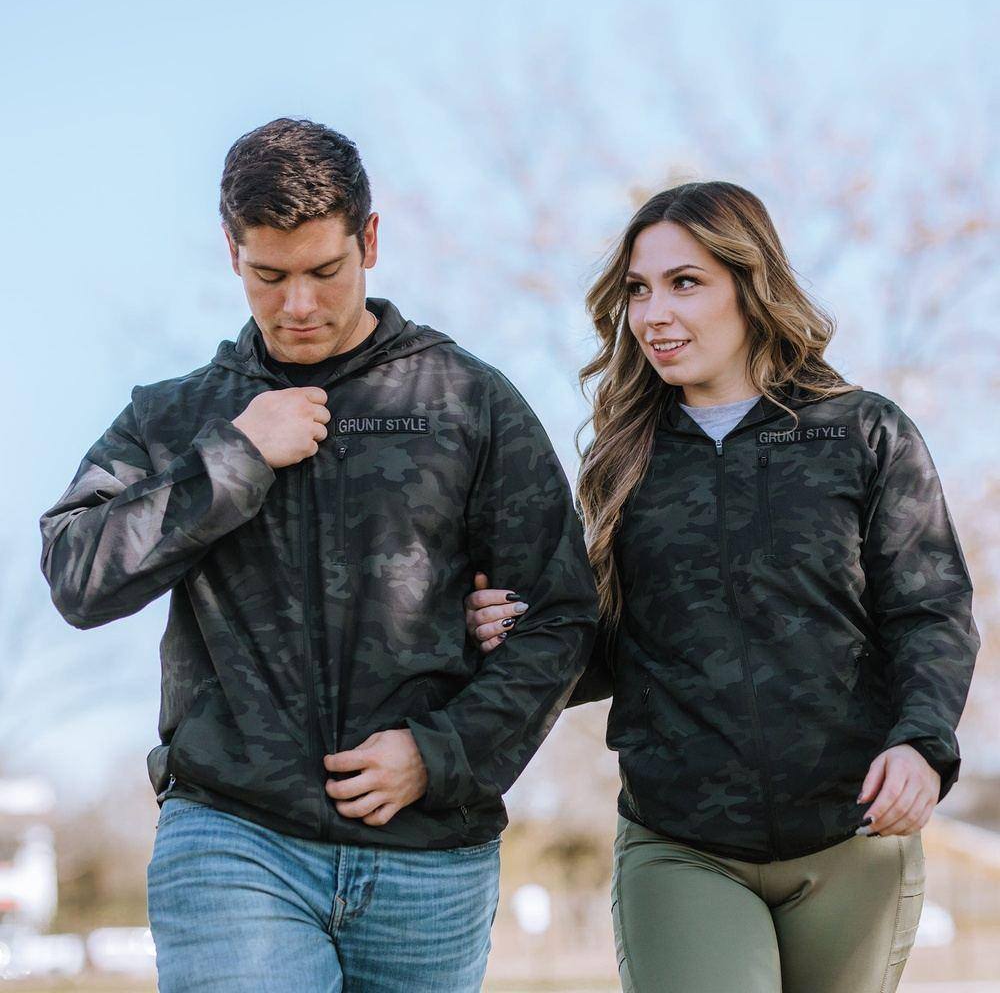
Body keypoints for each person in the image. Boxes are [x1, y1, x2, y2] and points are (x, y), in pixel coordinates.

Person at [40, 117, 598, 992]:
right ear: (232, 252)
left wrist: (442, 752)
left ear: (369, 240)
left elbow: (560, 618)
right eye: (269, 276)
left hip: (429, 859)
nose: (297, 305)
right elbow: (78, 574)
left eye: (324, 272)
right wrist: (233, 459)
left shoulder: (469, 401)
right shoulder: (176, 416)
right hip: (233, 837)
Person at [465, 181, 979, 993]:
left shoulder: (862, 432)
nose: (653, 314)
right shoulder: (624, 458)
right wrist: (513, 631)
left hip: (854, 836)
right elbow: (614, 648)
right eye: (639, 289)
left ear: (750, 283)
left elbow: (930, 610)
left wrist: (922, 743)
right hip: (683, 842)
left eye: (685, 283)